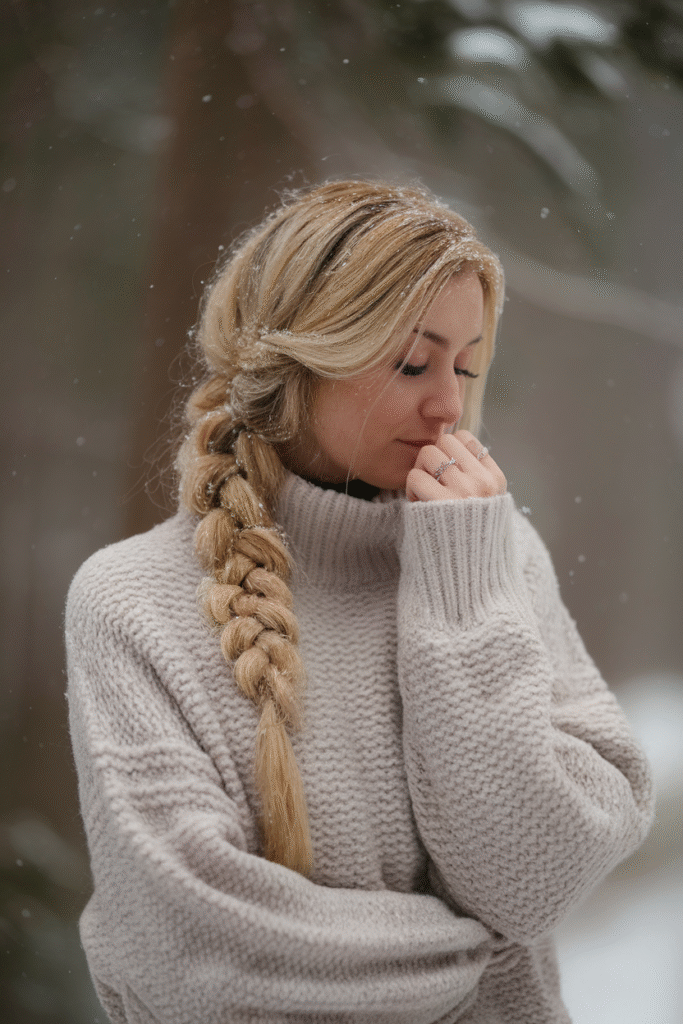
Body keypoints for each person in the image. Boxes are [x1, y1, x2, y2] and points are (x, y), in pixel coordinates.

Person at [65, 179, 654, 1024]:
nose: (448, 401)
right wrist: (473, 952)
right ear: (298, 356)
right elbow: (204, 955)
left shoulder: (492, 557)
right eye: (413, 361)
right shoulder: (131, 603)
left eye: (468, 364)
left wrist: (460, 594)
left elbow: (536, 880)